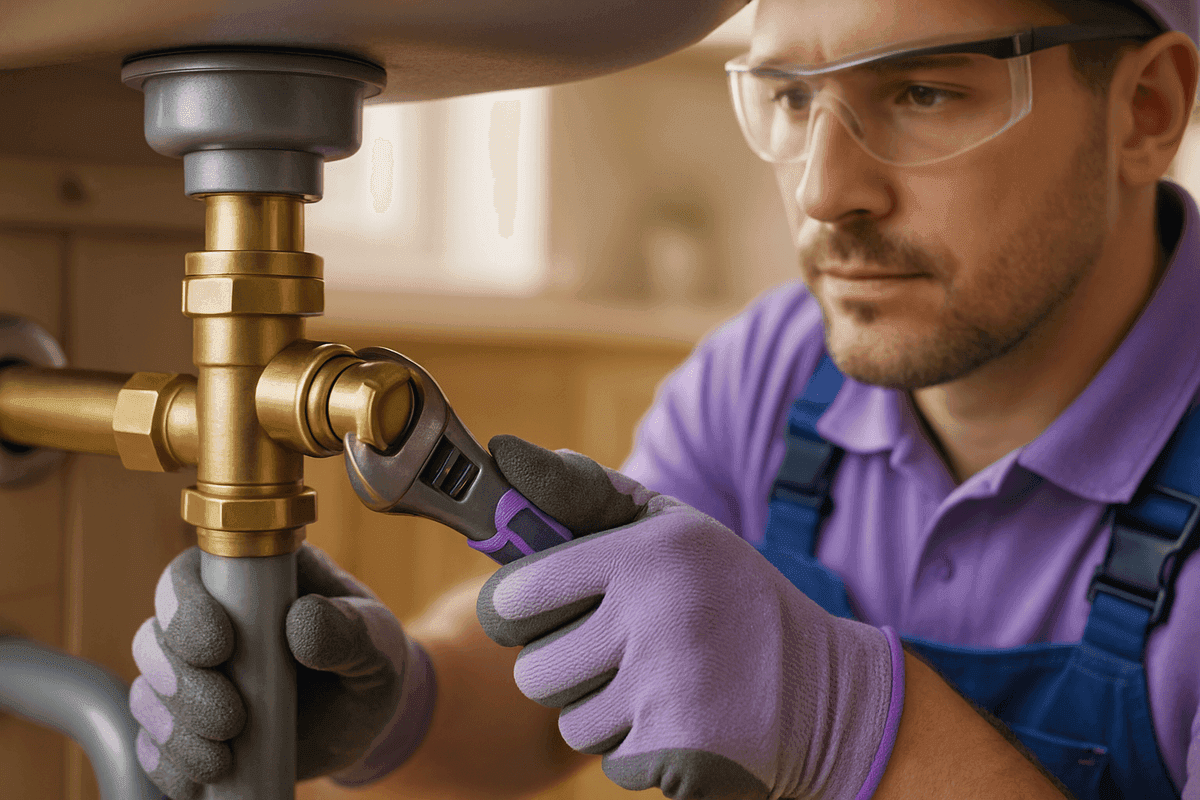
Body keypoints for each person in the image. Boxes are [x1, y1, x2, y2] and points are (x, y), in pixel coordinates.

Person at [129, 0, 1200, 797]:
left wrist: (851, 721)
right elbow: (556, 698)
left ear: (1143, 111)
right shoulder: (776, 369)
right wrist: (401, 699)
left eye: (924, 92)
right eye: (788, 97)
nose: (826, 190)